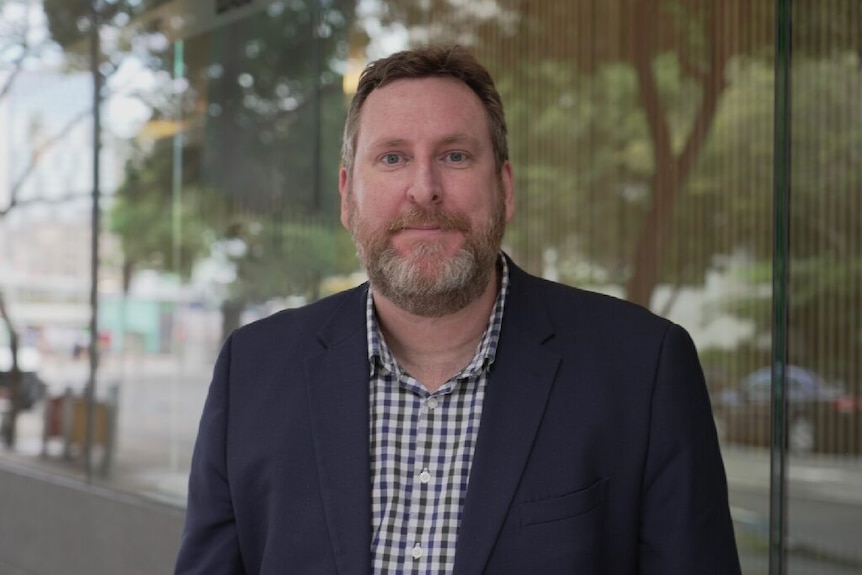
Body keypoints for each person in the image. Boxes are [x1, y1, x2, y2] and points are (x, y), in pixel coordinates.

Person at [175, 44, 741, 574]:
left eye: (455, 155)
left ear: (506, 189)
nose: (424, 188)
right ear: (348, 197)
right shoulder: (251, 371)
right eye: (393, 157)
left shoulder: (643, 369)